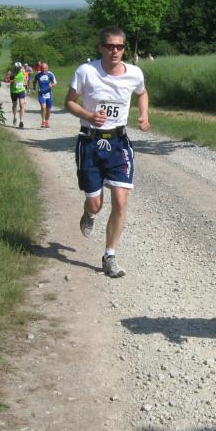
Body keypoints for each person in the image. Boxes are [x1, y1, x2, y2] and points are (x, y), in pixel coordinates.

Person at [65, 26, 150, 278]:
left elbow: (142, 93)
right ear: (101, 47)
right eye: (110, 46)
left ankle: (110, 256)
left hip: (118, 143)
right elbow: (69, 102)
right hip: (90, 142)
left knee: (121, 201)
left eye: (119, 47)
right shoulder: (86, 71)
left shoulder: (134, 73)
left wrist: (144, 114)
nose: (115, 51)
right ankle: (89, 213)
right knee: (96, 204)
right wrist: (89, 115)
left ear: (124, 49)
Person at [33, 62, 57, 128]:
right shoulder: (38, 75)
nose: (44, 70)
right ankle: (43, 121)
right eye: (42, 68)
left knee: (48, 110)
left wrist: (52, 85)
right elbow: (34, 81)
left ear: (47, 68)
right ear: (40, 68)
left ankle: (46, 121)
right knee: (43, 107)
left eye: (45, 68)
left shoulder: (50, 74)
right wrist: (34, 88)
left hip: (49, 94)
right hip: (41, 93)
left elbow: (55, 82)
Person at [9, 61, 27, 128]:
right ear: (15, 67)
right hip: (13, 91)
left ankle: (21, 121)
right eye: (17, 68)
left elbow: (25, 79)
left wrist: (25, 82)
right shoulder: (12, 73)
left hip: (21, 90)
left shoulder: (23, 71)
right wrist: (13, 81)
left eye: (19, 67)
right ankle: (14, 117)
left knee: (22, 104)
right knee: (14, 105)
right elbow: (8, 80)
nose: (18, 69)